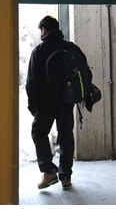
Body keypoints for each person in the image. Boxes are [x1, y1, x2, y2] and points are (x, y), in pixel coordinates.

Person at [26, 15, 91, 190]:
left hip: (46, 102)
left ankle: (48, 172)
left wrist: (33, 105)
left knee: (39, 132)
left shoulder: (39, 51)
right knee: (65, 136)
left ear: (44, 30)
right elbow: (84, 72)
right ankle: (65, 176)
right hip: (67, 101)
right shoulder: (70, 48)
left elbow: (32, 81)